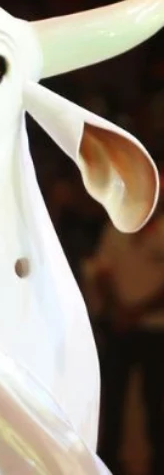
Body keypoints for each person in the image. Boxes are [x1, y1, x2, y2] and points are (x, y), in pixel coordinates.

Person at [88, 201, 164, 475]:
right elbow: (102, 272)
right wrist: (118, 309)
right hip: (120, 327)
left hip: (155, 329)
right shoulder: (116, 229)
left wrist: (135, 311)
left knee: (155, 401)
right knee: (113, 398)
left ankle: (158, 462)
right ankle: (108, 461)